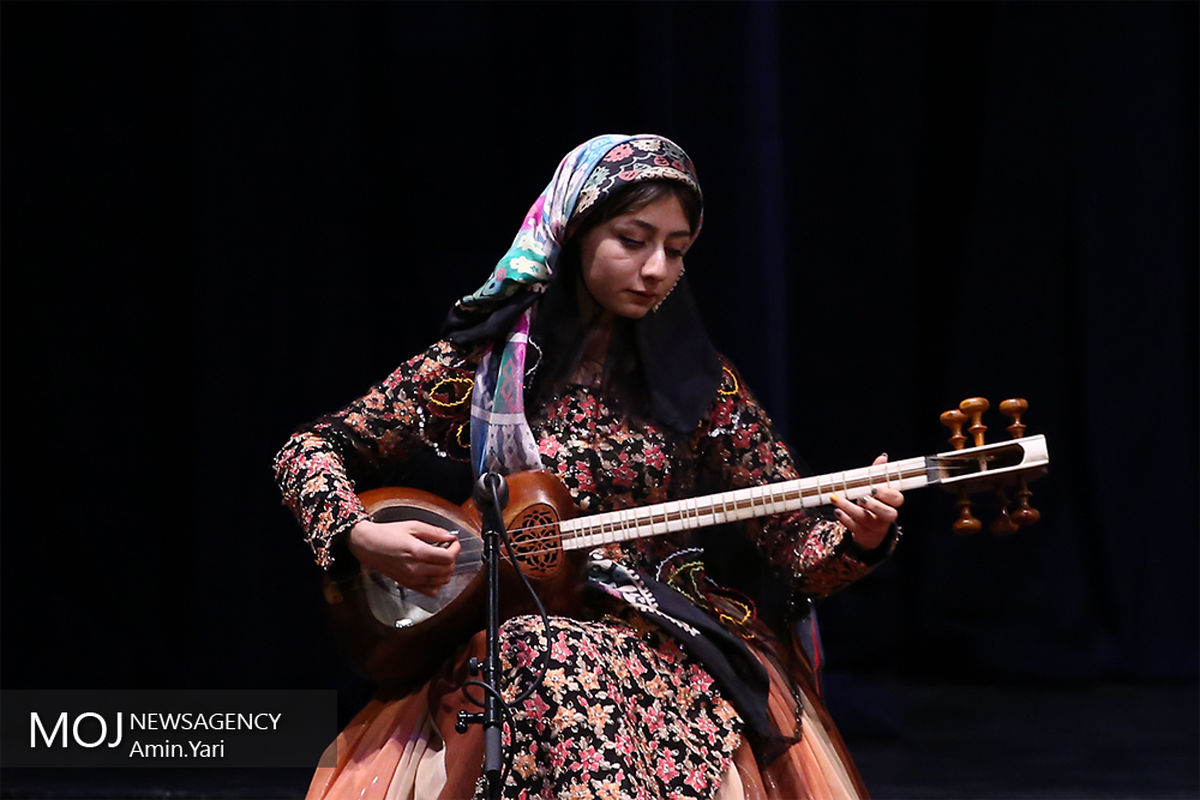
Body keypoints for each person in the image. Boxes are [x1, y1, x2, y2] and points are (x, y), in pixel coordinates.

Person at [273, 133, 903, 800]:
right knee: (542, 651)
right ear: (575, 233)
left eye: (677, 250)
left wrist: (862, 536)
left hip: (669, 644)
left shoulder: (700, 385)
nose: (656, 267)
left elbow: (792, 540)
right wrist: (356, 533)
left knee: (555, 656)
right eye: (633, 240)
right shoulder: (486, 368)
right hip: (519, 633)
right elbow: (309, 449)